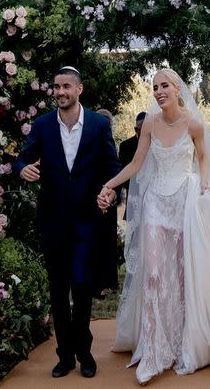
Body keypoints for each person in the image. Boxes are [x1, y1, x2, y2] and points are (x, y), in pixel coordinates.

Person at [97, 69, 210, 384]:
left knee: (181, 276)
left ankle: (181, 340)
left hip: (184, 199)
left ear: (177, 88)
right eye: (154, 87)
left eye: (164, 85)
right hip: (156, 200)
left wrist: (205, 187)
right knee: (154, 274)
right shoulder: (151, 124)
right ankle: (154, 351)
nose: (158, 91)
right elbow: (136, 163)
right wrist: (109, 185)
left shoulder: (194, 123)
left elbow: (205, 158)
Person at [13, 66, 121, 379]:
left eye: (66, 87)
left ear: (79, 89)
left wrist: (109, 193)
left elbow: (112, 169)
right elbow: (22, 158)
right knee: (59, 291)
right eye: (56, 87)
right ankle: (64, 356)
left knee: (82, 287)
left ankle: (85, 353)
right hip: (53, 221)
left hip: (87, 222)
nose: (60, 92)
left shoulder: (99, 125)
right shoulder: (43, 124)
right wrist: (22, 169)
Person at [94, 107, 119, 293]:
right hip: (92, 197)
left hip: (106, 196)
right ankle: (100, 281)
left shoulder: (108, 141)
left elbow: (114, 169)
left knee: (107, 241)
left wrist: (110, 193)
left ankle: (108, 281)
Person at [119, 111, 146, 219]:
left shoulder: (155, 144)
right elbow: (122, 171)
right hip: (133, 194)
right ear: (136, 129)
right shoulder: (126, 146)